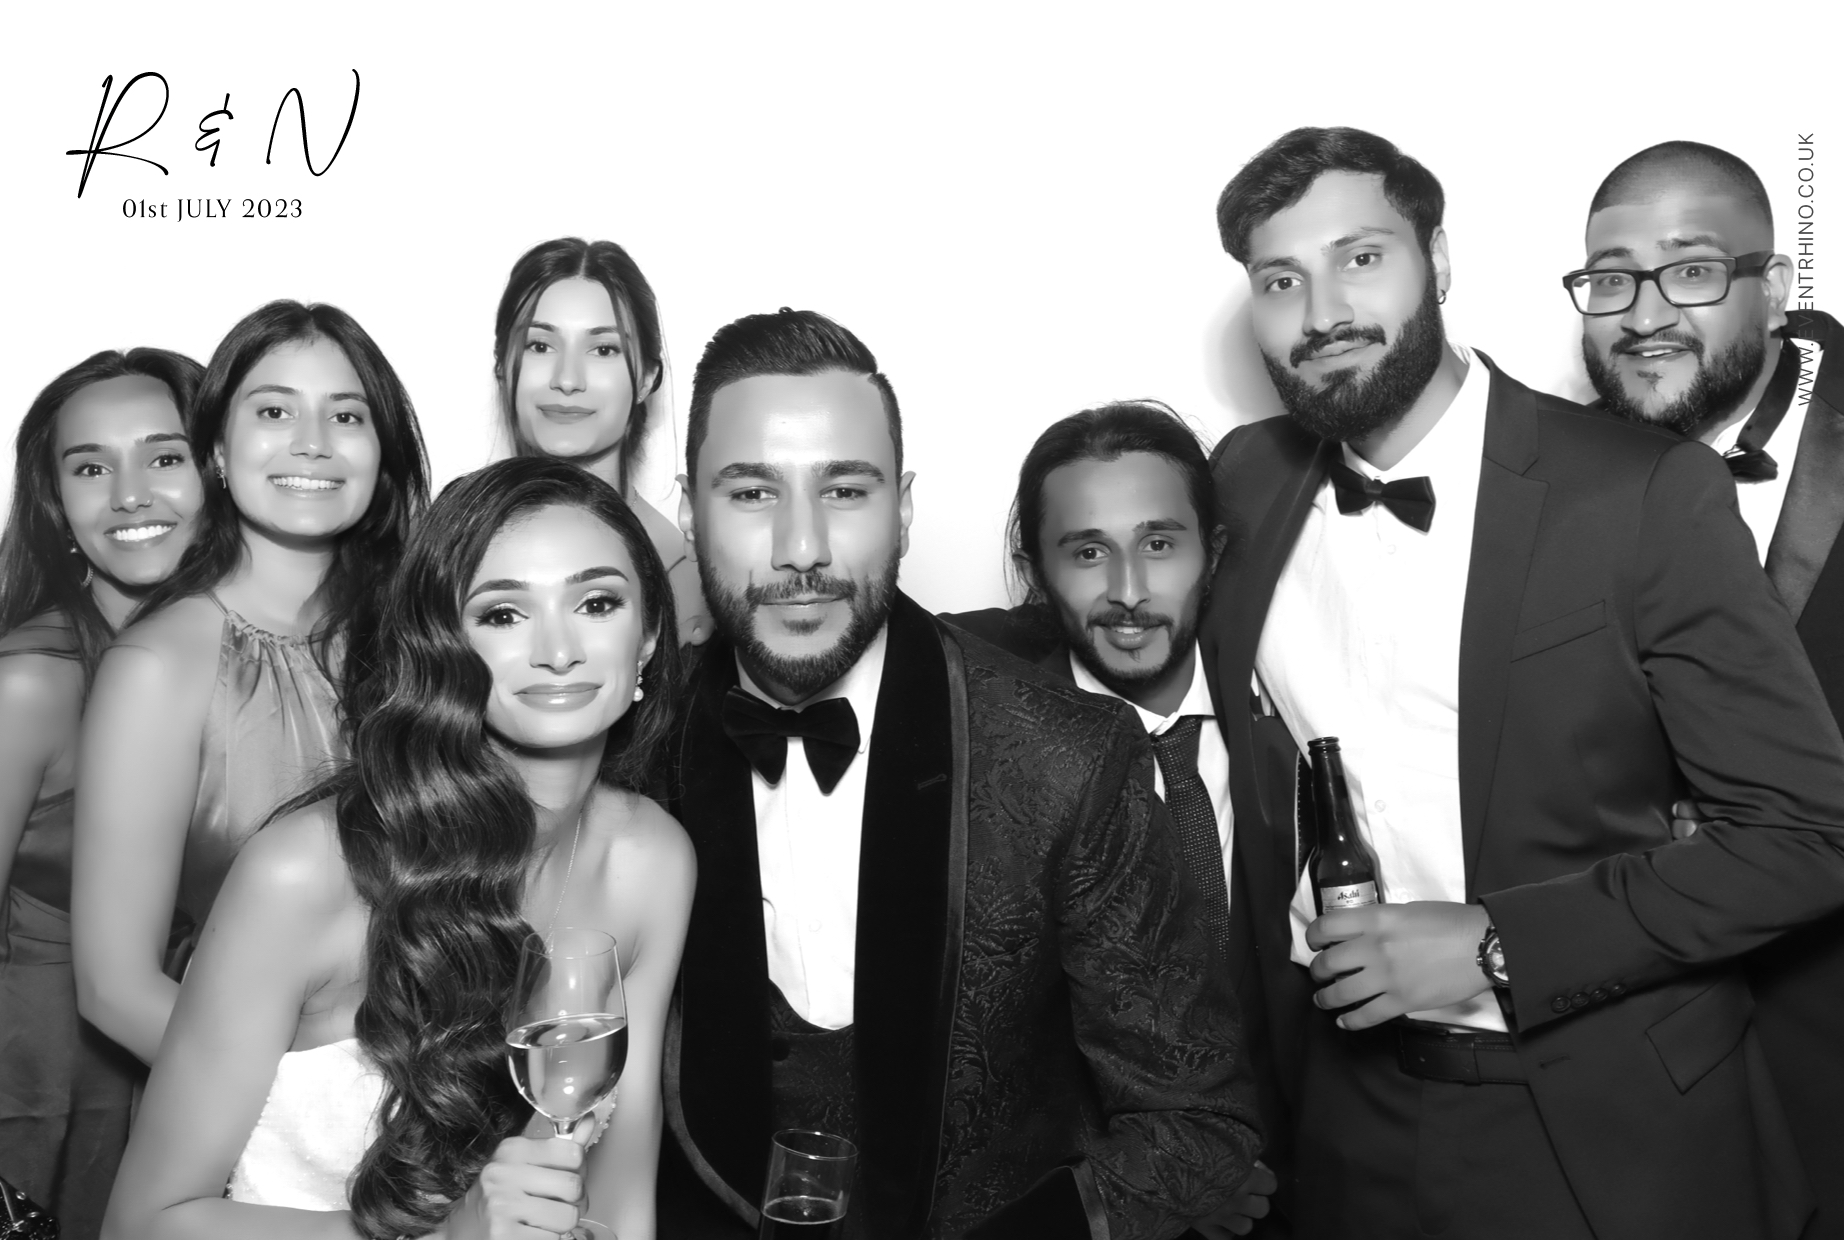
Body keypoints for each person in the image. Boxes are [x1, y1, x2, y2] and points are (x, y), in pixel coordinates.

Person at [1203, 126, 1844, 1240]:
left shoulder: (1641, 491)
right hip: (1343, 1116)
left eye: (1362, 258)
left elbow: (1808, 831)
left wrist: (1498, 942)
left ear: (1439, 262)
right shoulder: (1244, 481)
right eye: (1280, 280)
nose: (1322, 313)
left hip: (1606, 1129)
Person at [658, 308, 1260, 1240]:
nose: (801, 548)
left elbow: (1198, 1127)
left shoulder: (1069, 755)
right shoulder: (632, 751)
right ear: (688, 508)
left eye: (844, 491)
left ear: (902, 508)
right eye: (751, 493)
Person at [101, 457, 695, 1240]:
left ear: (647, 636)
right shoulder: (308, 873)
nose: (559, 650)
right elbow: (142, 1224)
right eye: (503, 614)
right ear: (441, 645)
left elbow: (619, 1204)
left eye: (596, 603)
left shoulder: (651, 860)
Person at [1572, 140, 1844, 1238]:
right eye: (1609, 279)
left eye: (1689, 271)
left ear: (1772, 288)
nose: (1644, 315)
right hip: (1647, 1081)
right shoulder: (1556, 471)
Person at [944, 400, 1278, 1240]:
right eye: (1087, 552)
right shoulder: (980, 722)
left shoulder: (1286, 713)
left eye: (1159, 545)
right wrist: (1170, 1179)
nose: (1128, 592)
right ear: (1035, 570)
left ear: (1213, 553)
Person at [72, 301, 430, 1066]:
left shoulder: (423, 635)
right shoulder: (159, 665)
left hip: (435, 1084)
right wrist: (314, 1103)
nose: (312, 442)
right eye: (274, 411)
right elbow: (114, 987)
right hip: (251, 1111)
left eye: (346, 415)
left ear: (382, 454)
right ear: (217, 452)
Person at [0, 348, 205, 1240]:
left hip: (183, 1082)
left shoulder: (235, 659)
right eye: (90, 468)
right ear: (56, 502)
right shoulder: (31, 684)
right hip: (41, 1103)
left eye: (164, 457)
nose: (129, 494)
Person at [495, 237, 712, 648]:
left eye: (603, 349)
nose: (567, 379)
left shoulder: (685, 579)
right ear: (502, 366)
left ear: (646, 379)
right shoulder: (448, 547)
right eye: (539, 345)